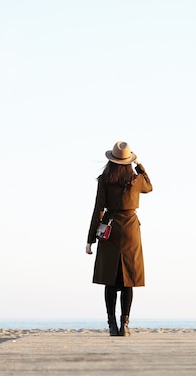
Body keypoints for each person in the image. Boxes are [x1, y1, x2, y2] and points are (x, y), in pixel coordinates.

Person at [86, 141, 153, 336]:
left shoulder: (105, 180)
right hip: (131, 229)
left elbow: (98, 209)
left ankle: (112, 325)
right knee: (128, 280)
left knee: (110, 279)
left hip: (110, 229)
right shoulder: (135, 179)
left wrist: (90, 239)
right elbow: (149, 186)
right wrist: (139, 164)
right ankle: (125, 324)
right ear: (128, 161)